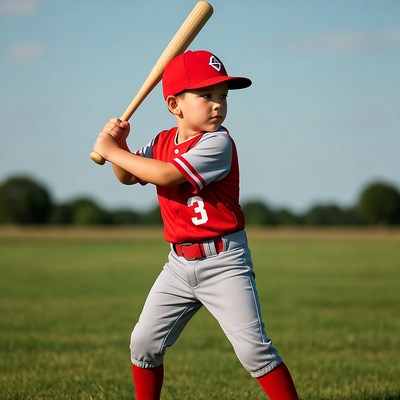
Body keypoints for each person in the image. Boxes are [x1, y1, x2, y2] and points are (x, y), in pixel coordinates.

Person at [93, 50, 299, 400]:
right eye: (206, 95)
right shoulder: (160, 142)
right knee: (143, 344)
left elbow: (165, 173)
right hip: (178, 265)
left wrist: (110, 149)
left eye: (223, 96)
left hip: (224, 264)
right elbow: (128, 175)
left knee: (254, 353)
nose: (218, 104)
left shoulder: (217, 143)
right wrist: (120, 146)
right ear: (175, 105)